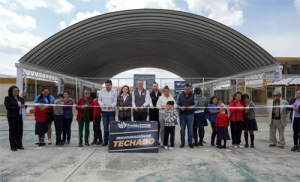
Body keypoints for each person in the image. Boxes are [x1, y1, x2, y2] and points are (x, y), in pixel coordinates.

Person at [176, 83, 198, 149]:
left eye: (188, 89)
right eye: (185, 89)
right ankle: (182, 142)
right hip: (182, 115)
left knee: (190, 130)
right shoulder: (179, 95)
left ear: (190, 89)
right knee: (182, 129)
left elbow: (196, 104)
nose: (186, 91)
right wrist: (180, 107)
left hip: (190, 115)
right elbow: (176, 104)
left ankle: (190, 143)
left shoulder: (194, 95)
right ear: (183, 89)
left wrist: (191, 107)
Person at [4, 86, 26, 151]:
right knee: (12, 131)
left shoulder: (20, 98)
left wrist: (25, 106)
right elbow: (8, 108)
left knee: (19, 131)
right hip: (12, 117)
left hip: (20, 116)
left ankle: (19, 145)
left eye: (17, 90)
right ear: (11, 91)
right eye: (15, 90)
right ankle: (13, 146)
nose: (16, 91)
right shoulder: (8, 98)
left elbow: (24, 106)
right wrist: (19, 107)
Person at [98, 80, 118, 146]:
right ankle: (106, 141)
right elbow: (99, 100)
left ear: (111, 85)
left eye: (108, 85)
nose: (107, 86)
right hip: (104, 112)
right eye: (106, 85)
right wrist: (102, 105)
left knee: (112, 126)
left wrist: (111, 106)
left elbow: (115, 101)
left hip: (112, 111)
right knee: (105, 126)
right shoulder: (102, 91)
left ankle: (112, 141)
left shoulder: (114, 92)